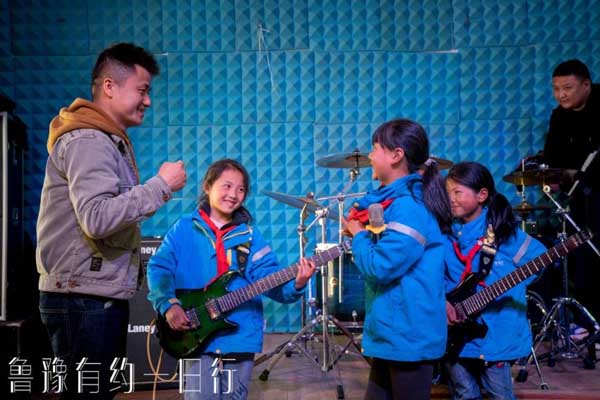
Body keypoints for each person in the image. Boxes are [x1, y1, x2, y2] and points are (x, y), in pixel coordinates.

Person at [36, 42, 187, 399]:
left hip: (89, 295)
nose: (148, 101)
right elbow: (97, 218)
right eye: (142, 90)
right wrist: (161, 186)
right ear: (109, 87)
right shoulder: (89, 140)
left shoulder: (101, 139)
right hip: (82, 299)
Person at [146, 158, 316, 400]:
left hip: (241, 336)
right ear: (207, 186)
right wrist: (169, 304)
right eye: (227, 186)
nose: (234, 195)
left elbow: (271, 281)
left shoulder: (250, 236)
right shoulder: (183, 228)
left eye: (241, 189)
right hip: (196, 333)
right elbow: (159, 268)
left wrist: (297, 283)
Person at [343, 119, 452, 400]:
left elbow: (381, 267)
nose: (369, 156)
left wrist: (358, 235)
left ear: (396, 155)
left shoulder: (409, 208)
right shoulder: (397, 203)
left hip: (408, 335)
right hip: (393, 333)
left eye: (374, 149)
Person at [444, 162, 546, 400]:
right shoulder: (446, 235)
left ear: (482, 195)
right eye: (448, 192)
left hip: (495, 336)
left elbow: (539, 259)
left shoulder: (503, 233)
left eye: (457, 192)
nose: (451, 199)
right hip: (453, 333)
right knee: (463, 394)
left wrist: (509, 284)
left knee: (500, 395)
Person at [542, 59, 600, 326]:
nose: (561, 95)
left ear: (586, 85)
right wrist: (558, 175)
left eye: (567, 88)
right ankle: (590, 324)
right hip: (580, 196)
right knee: (583, 259)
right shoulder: (559, 116)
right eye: (556, 89)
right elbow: (553, 158)